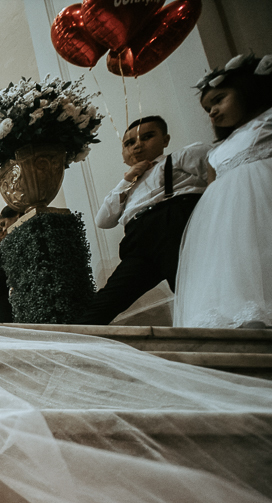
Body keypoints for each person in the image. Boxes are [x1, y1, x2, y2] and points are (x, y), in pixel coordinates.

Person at [76, 116, 211, 325]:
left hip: (173, 224)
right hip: (138, 240)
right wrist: (127, 179)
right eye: (129, 143)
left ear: (165, 140)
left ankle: (208, 328)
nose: (137, 145)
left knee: (187, 284)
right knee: (109, 298)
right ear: (123, 153)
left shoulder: (181, 157)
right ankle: (77, 337)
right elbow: (103, 220)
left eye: (147, 137)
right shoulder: (126, 184)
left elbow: (217, 174)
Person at [176, 54, 272, 328]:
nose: (212, 112)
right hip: (229, 221)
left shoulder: (266, 121)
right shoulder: (216, 152)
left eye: (219, 100)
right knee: (241, 270)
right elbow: (212, 186)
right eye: (208, 108)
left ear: (246, 91)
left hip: (266, 199)